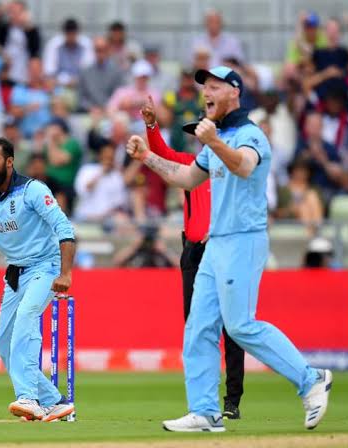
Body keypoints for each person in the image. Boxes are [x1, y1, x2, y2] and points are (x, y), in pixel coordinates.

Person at [126, 66, 333, 432]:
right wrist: (148, 158)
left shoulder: (250, 135)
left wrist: (216, 143)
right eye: (203, 87)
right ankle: (205, 411)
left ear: (234, 92)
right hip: (216, 242)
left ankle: (311, 378)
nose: (206, 92)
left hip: (244, 238)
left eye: (214, 86)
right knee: (199, 327)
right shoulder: (217, 137)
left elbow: (244, 166)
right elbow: (186, 178)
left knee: (240, 325)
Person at [140, 94, 246, 419]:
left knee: (232, 328)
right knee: (197, 327)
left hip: (226, 249)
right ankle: (206, 400)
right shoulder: (191, 165)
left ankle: (231, 400)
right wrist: (151, 125)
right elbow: (161, 154)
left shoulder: (232, 168)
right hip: (195, 251)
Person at [0, 137, 76, 422]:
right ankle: (54, 401)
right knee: (3, 343)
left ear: (9, 162)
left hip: (45, 266)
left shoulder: (33, 190)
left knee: (27, 319)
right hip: (15, 272)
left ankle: (28, 397)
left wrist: (65, 273)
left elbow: (64, 228)